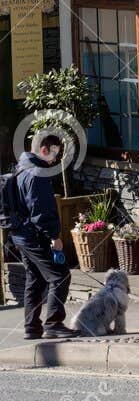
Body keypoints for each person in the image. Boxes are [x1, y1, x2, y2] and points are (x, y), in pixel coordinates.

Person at [3, 133, 75, 339]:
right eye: (55, 154)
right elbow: (40, 210)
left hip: (20, 235)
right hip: (34, 235)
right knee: (60, 276)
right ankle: (54, 324)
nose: (55, 160)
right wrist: (54, 236)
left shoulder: (20, 168)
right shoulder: (37, 173)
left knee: (35, 280)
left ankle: (32, 328)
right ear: (44, 150)